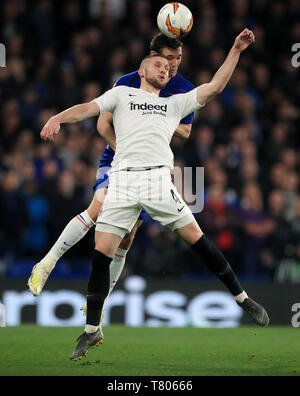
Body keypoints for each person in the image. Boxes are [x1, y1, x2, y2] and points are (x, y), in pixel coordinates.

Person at [32, 28, 270, 361]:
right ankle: (90, 331)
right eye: (159, 65)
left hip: (159, 183)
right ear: (142, 71)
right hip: (123, 182)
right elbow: (88, 109)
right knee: (101, 254)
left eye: (170, 65)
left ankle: (243, 298)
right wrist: (57, 117)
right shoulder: (121, 94)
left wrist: (236, 49)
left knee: (199, 241)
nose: (166, 69)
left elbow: (215, 87)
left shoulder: (174, 104)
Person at [27, 34, 194, 307]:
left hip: (150, 166)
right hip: (118, 157)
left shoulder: (184, 88)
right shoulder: (127, 82)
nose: (173, 64)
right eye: (168, 58)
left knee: (127, 237)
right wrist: (124, 151)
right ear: (152, 55)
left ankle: (100, 305)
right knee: (97, 207)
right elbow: (103, 124)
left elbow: (186, 132)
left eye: (178, 58)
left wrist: (158, 114)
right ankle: (46, 264)